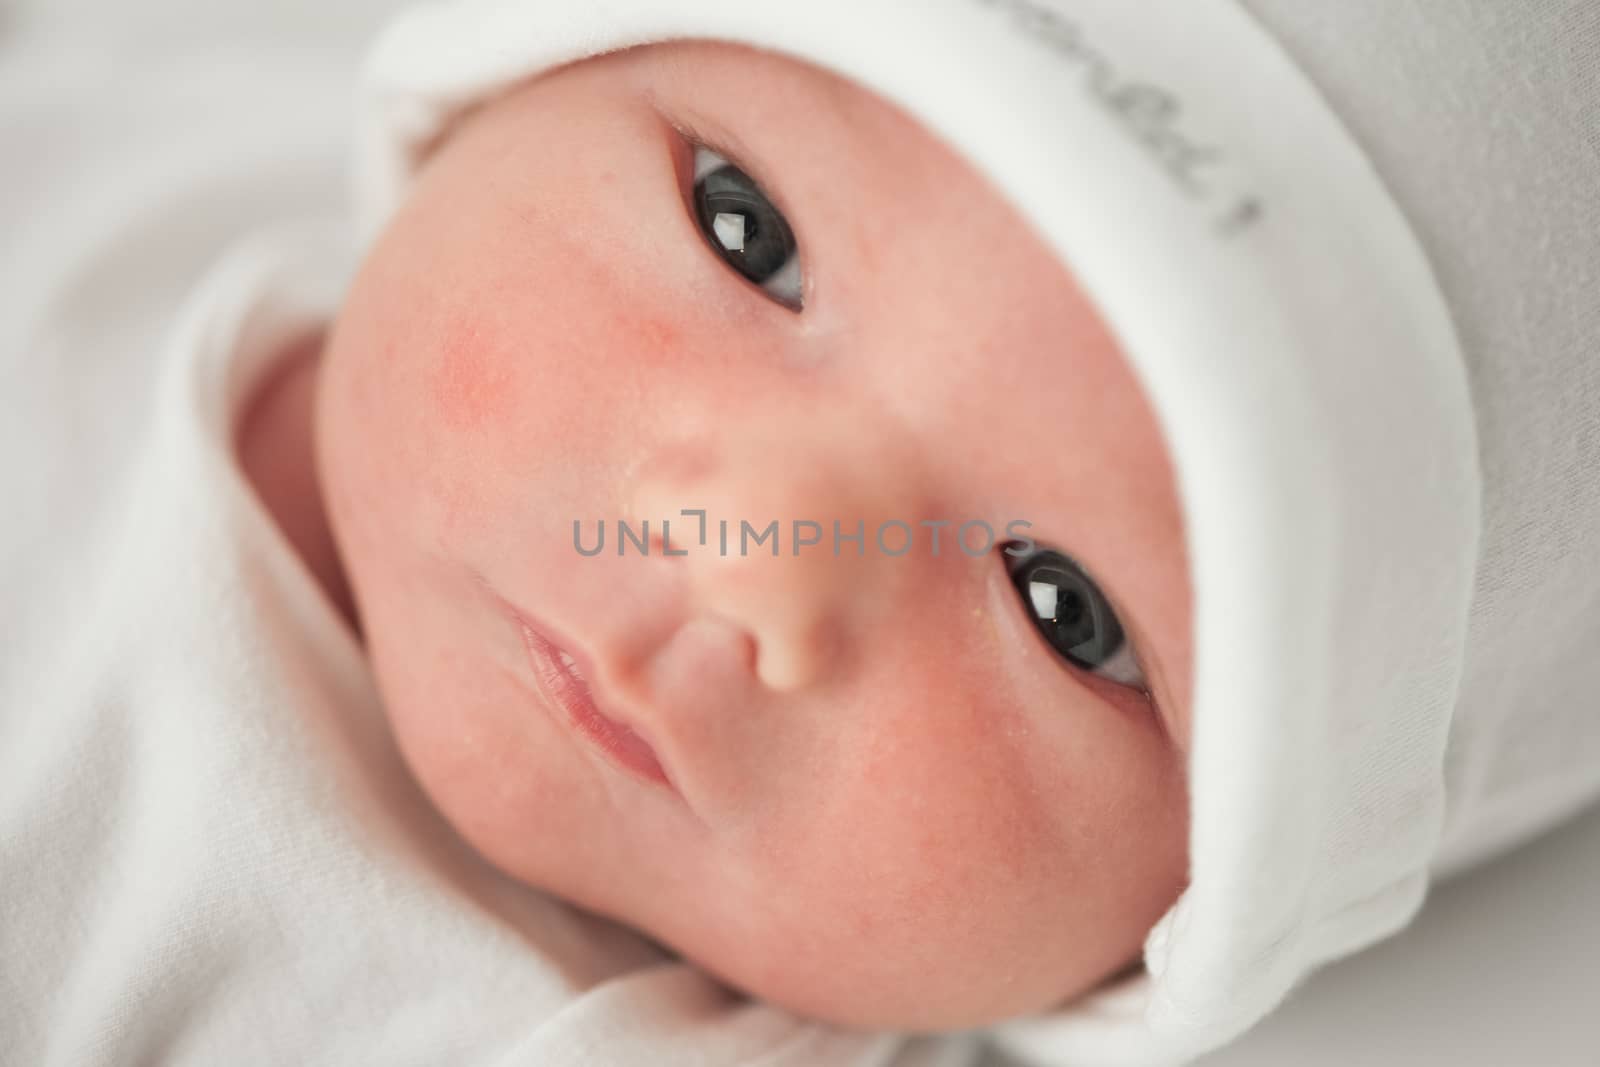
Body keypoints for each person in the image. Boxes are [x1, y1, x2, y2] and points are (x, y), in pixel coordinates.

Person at [3, 2, 1596, 1064]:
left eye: (1066, 611)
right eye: (745, 231)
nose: (751, 547)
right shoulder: (130, 85)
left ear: (1183, 935)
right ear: (516, 70)